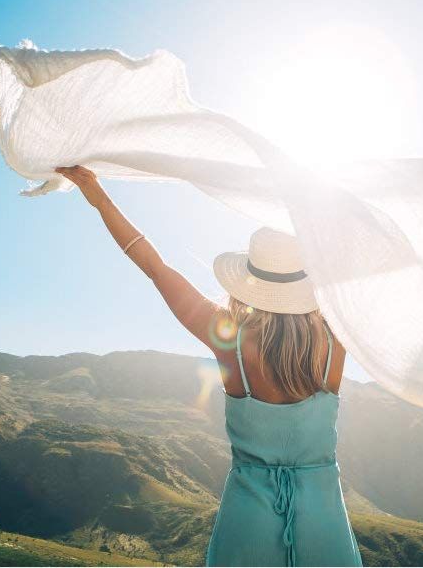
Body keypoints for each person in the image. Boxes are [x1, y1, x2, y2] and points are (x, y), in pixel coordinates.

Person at [55, 165, 364, 567]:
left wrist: (99, 198)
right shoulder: (336, 338)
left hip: (249, 517)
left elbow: (155, 267)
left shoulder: (229, 340)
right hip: (323, 516)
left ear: (250, 281)